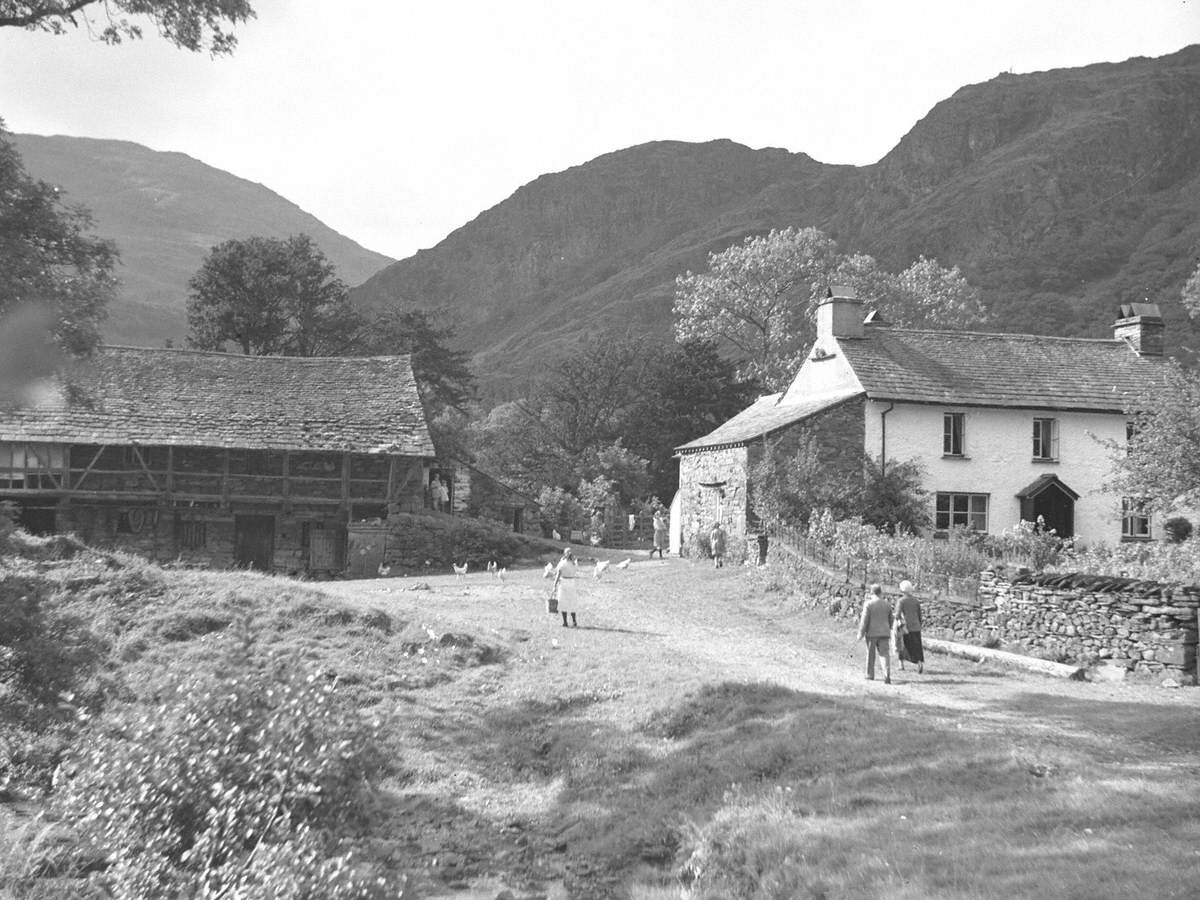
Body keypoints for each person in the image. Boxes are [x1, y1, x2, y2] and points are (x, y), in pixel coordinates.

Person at [857, 583, 892, 684]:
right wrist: (889, 628)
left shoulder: (868, 604)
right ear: (880, 593)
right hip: (885, 633)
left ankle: (870, 674)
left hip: (872, 633)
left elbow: (864, 620)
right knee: (885, 654)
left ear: (871, 593)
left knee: (870, 654)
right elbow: (891, 620)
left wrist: (861, 633)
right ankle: (887, 674)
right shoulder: (887, 604)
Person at [893, 579, 925, 674]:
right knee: (916, 646)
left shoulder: (901, 601)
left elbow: (898, 614)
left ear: (902, 590)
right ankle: (919, 663)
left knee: (901, 645)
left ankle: (901, 665)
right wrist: (919, 624)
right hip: (916, 627)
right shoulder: (916, 601)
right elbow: (919, 615)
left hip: (905, 627)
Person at [553, 546, 580, 628]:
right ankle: (574, 621)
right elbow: (575, 570)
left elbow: (558, 574)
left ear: (564, 554)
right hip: (571, 582)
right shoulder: (574, 563)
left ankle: (565, 622)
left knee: (563, 602)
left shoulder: (562, 563)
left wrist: (554, 585)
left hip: (564, 582)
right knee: (572, 602)